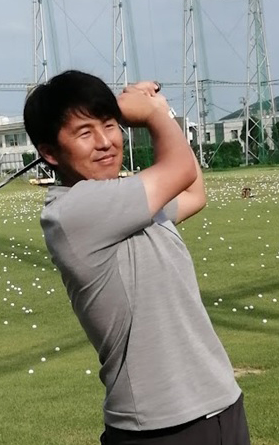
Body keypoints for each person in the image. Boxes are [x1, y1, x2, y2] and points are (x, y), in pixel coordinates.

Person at [23, 70, 250, 445]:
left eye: (110, 125)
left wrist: (160, 110)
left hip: (220, 404)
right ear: (49, 152)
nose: (105, 142)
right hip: (160, 427)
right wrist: (150, 114)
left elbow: (193, 193)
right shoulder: (73, 212)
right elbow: (180, 170)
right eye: (84, 133)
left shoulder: (123, 199)